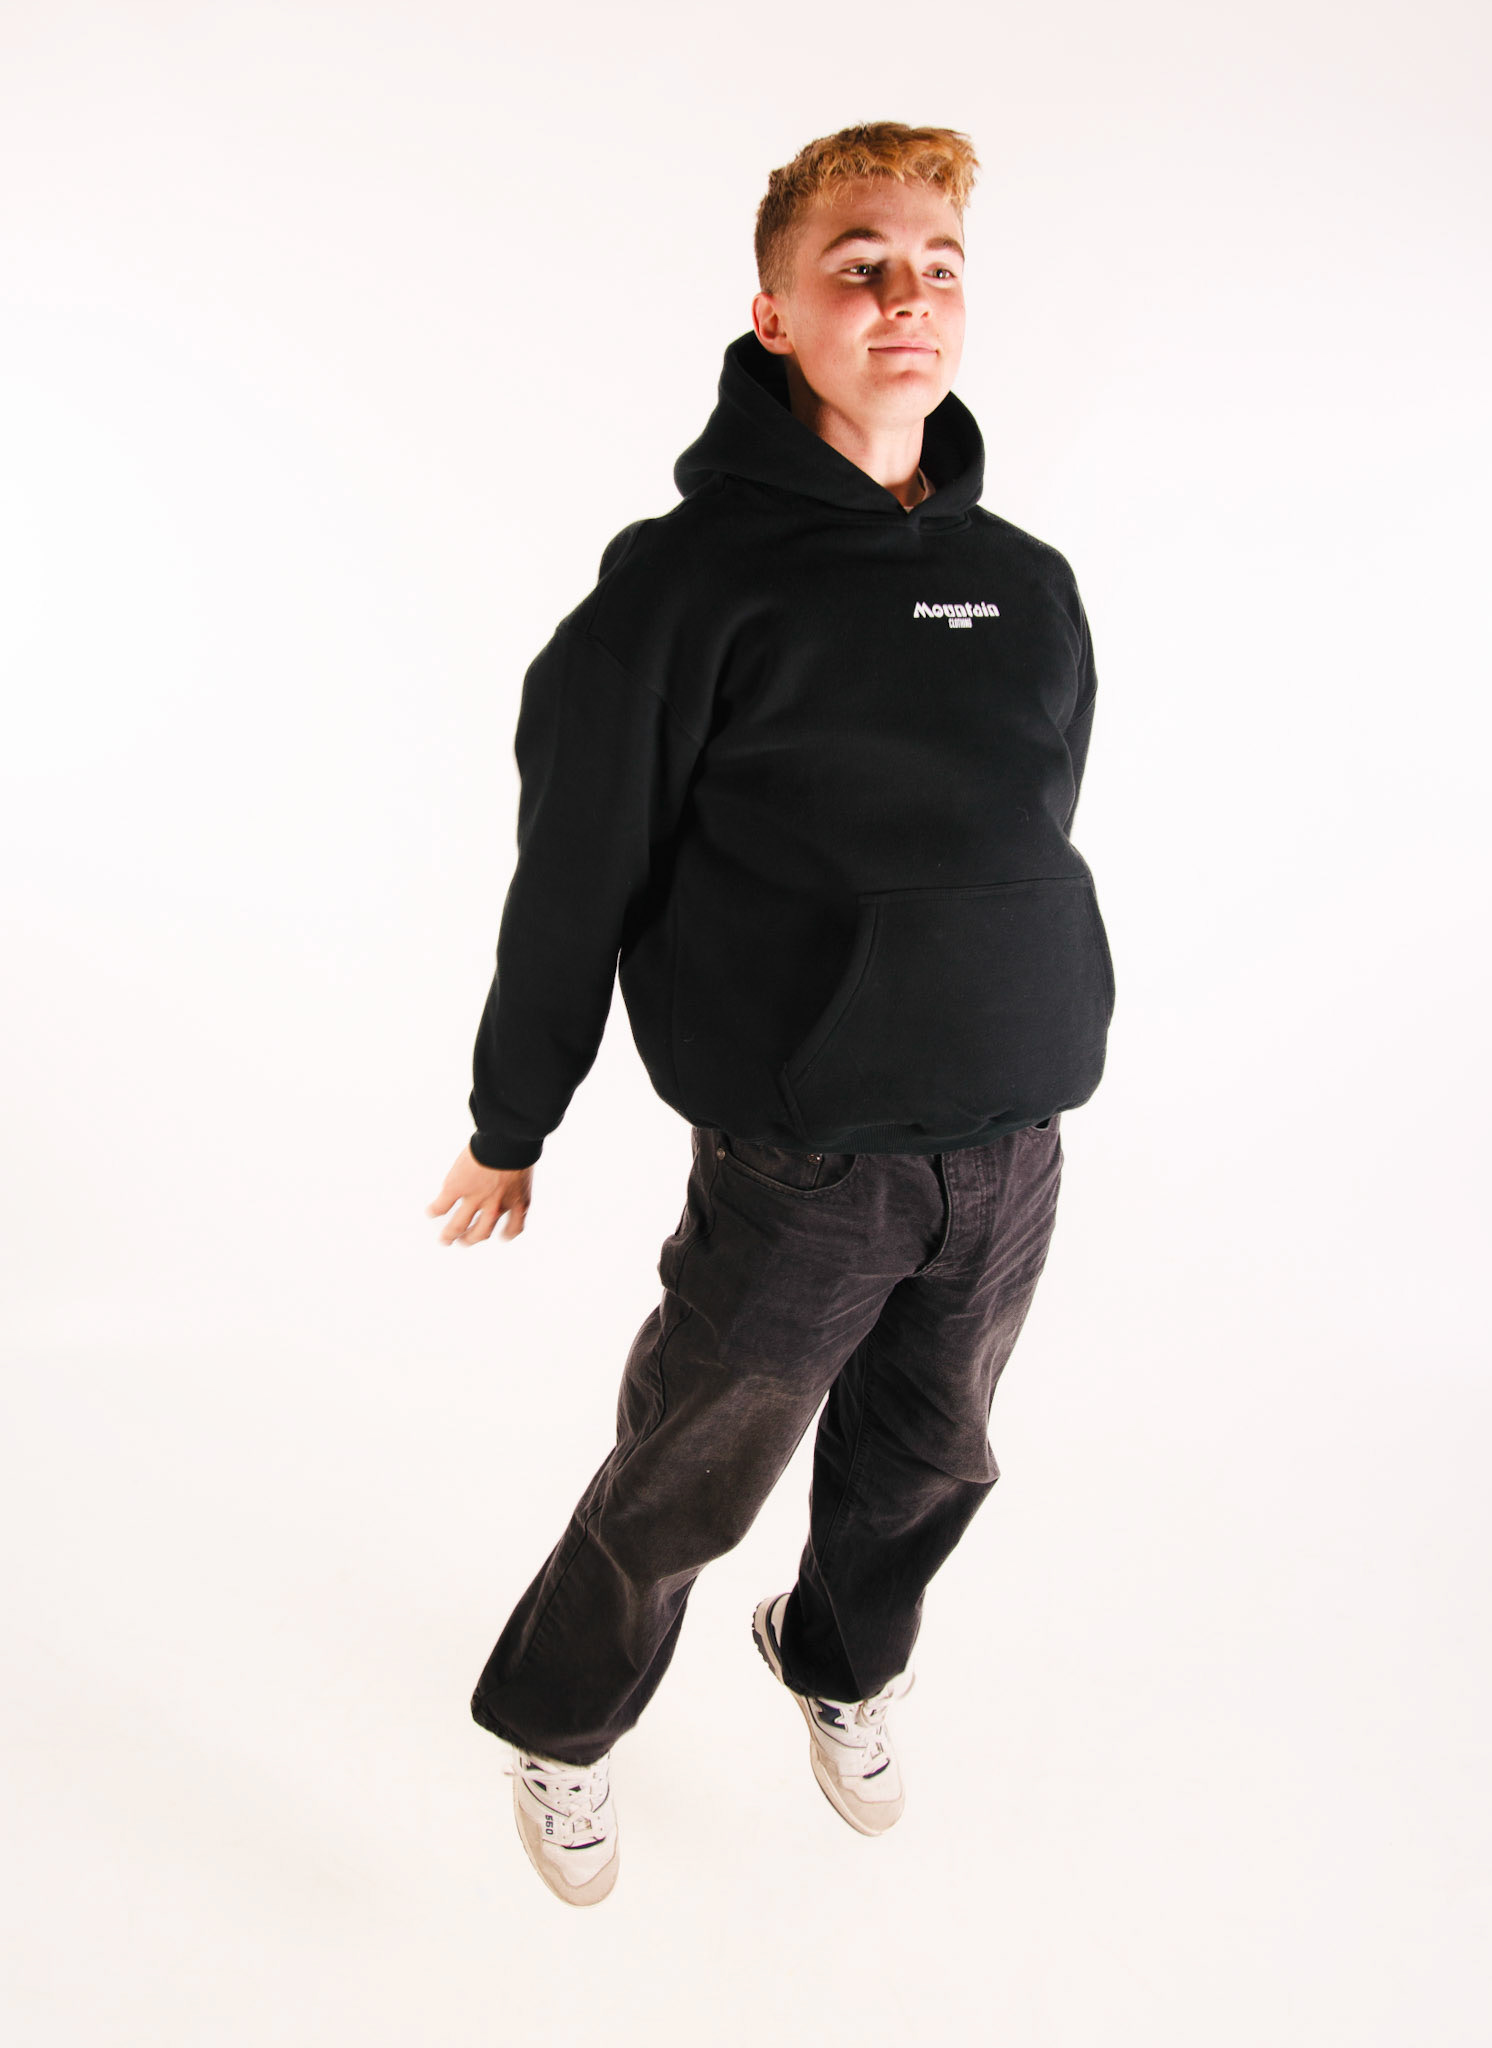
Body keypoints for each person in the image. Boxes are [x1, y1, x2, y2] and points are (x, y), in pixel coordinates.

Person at [426, 120, 1115, 1908]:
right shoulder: (680, 589)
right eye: (858, 267)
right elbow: (574, 872)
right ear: (774, 315)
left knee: (935, 1457)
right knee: (690, 1478)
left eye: (937, 267)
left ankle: (834, 1660)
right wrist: (512, 1122)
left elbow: (1025, 824)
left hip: (1011, 1131)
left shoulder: (1028, 580)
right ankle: (559, 1724)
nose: (905, 299)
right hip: (804, 1158)